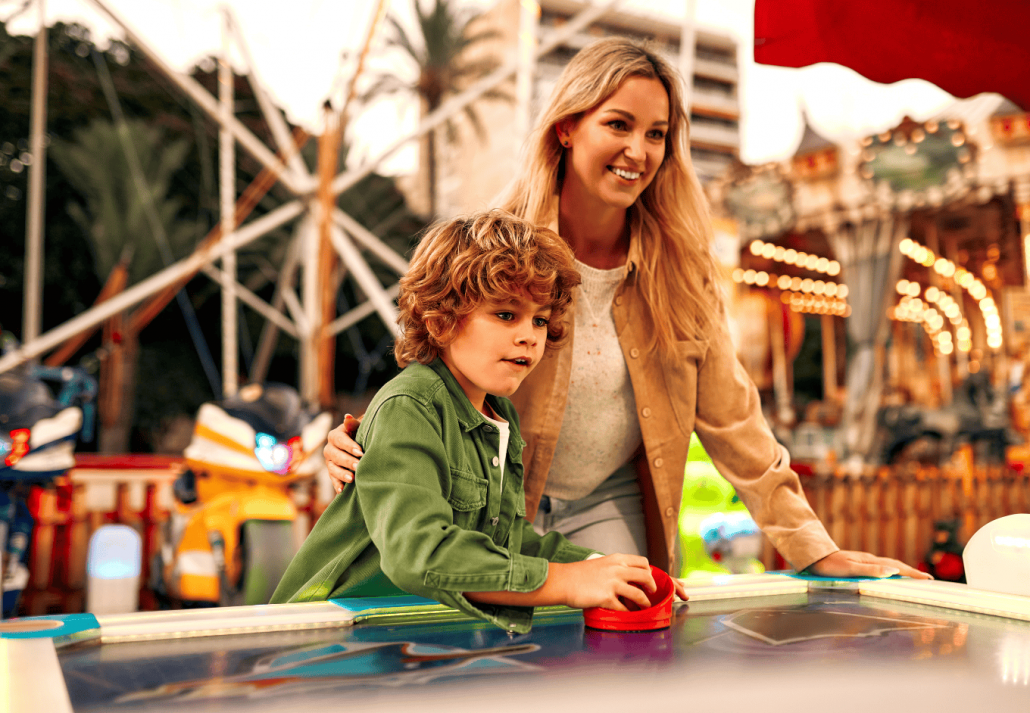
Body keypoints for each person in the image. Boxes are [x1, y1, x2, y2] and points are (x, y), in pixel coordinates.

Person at [324, 37, 929, 581]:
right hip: (487, 498)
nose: (638, 150)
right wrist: (363, 440)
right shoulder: (500, 244)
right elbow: (431, 367)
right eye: (619, 124)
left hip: (607, 499)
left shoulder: (681, 269)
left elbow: (735, 419)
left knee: (629, 642)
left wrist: (812, 547)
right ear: (567, 127)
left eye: (657, 133)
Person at [271, 210, 673, 633]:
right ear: (441, 320)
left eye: (539, 319)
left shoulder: (499, 416)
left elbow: (507, 540)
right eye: (505, 315)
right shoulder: (410, 406)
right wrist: (566, 581)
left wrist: (605, 569)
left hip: (405, 636)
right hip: (323, 637)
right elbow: (421, 554)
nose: (529, 335)